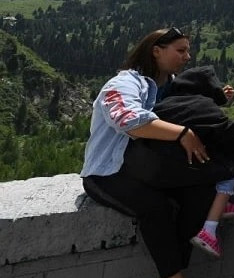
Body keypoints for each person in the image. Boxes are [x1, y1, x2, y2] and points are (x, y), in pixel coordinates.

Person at [80, 27, 217, 278]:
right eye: (181, 50)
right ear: (156, 51)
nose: (188, 57)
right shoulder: (124, 83)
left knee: (200, 193)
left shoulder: (173, 86)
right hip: (108, 171)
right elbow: (126, 119)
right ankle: (174, 274)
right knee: (156, 207)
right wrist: (181, 133)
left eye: (188, 50)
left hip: (147, 168)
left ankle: (177, 265)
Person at [145, 65, 234, 258]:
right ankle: (211, 227)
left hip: (160, 177)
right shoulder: (203, 104)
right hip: (195, 177)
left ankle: (219, 205)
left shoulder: (160, 106)